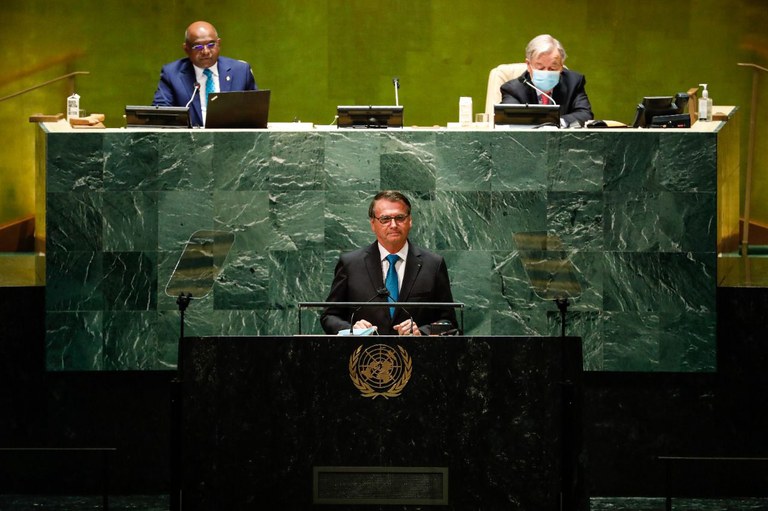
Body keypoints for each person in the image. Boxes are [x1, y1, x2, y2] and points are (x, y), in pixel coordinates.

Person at [321, 191, 457, 336]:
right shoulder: (351, 264)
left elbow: (449, 323)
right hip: (364, 355)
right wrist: (353, 330)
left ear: (410, 221)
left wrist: (422, 332)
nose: (393, 225)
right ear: (373, 224)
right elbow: (329, 317)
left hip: (417, 354)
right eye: (385, 219)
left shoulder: (433, 265)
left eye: (400, 218)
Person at [152, 21, 257, 127]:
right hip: (189, 141)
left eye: (211, 45)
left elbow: (256, 113)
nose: (206, 51)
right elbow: (161, 115)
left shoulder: (241, 71)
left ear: (219, 44)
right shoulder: (172, 73)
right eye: (198, 47)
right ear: (186, 49)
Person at [500, 34, 593, 128]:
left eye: (553, 68)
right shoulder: (513, 89)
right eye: (540, 68)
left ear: (561, 66)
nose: (546, 72)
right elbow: (509, 119)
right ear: (528, 65)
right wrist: (549, 122)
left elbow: (585, 114)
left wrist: (558, 122)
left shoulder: (574, 82)